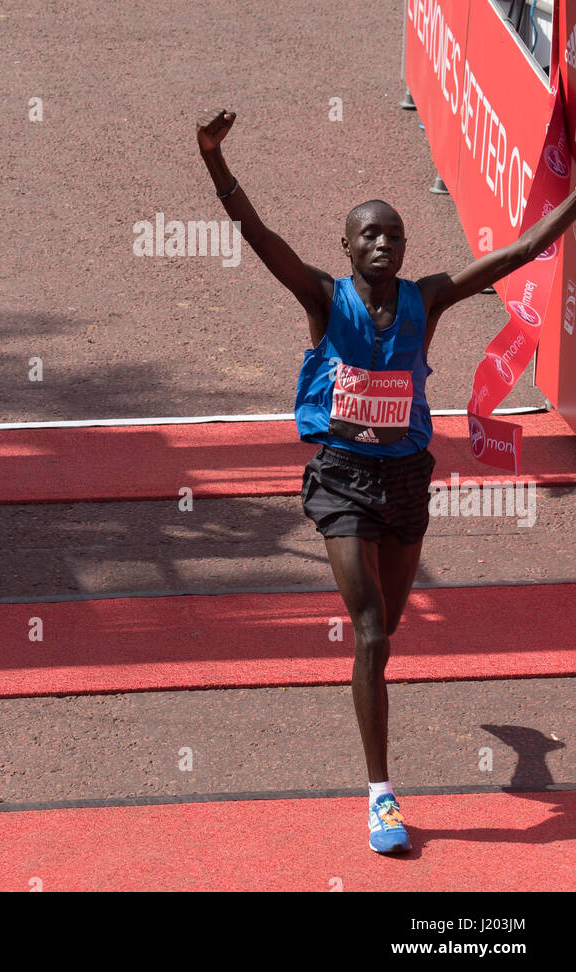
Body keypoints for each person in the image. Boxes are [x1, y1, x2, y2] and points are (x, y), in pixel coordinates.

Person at [197, 106, 576, 854]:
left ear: (405, 248)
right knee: (369, 630)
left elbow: (524, 247)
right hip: (339, 477)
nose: (382, 242)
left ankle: (434, 727)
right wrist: (212, 157)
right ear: (345, 246)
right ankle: (381, 796)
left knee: (387, 630)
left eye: (393, 234)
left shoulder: (425, 297)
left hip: (405, 477)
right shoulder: (320, 296)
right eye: (368, 233)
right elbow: (256, 235)